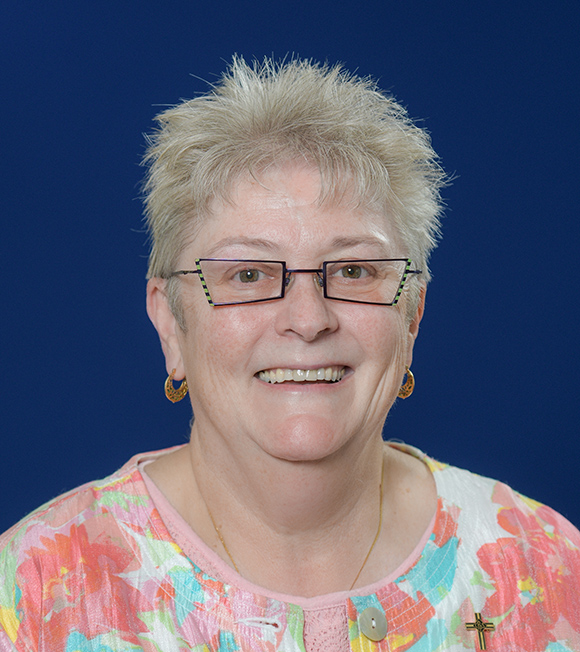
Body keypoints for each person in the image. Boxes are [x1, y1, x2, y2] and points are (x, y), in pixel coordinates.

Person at [1, 56, 579, 652]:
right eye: (248, 273)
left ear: (412, 316)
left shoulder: (547, 568)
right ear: (171, 321)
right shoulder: (36, 589)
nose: (308, 320)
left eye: (354, 270)